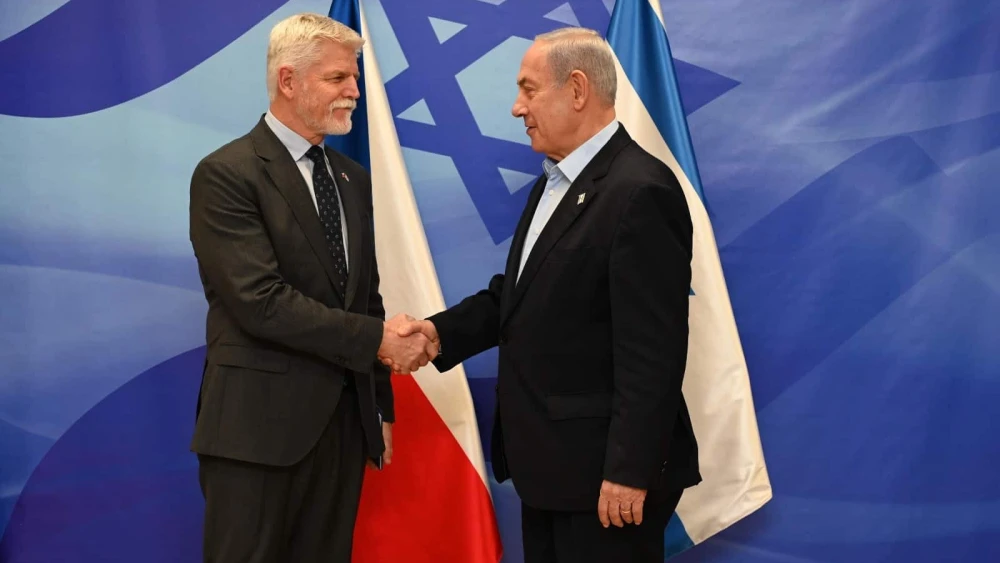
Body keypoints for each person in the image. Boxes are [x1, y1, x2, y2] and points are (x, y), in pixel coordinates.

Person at [390, 27, 701, 562]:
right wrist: (438, 333)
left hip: (604, 482)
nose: (516, 108)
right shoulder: (554, 183)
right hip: (554, 472)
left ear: (577, 90)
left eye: (529, 89)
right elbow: (521, 294)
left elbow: (653, 350)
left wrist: (629, 471)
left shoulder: (640, 190)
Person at [188, 13, 435, 563]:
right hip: (254, 436)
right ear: (288, 81)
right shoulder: (227, 173)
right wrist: (380, 341)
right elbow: (261, 303)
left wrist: (379, 403)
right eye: (338, 79)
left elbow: (364, 296)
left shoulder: (351, 178)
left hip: (342, 430)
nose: (354, 91)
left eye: (354, 78)